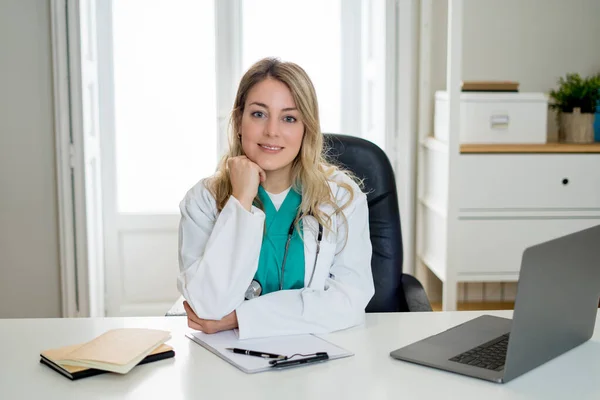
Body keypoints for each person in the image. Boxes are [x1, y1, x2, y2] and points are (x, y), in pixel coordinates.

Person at [177, 57, 374, 340]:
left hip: (319, 354)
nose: (272, 131)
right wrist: (240, 202)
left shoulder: (341, 198)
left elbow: (349, 303)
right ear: (238, 121)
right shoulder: (204, 201)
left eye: (289, 118)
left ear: (307, 128)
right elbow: (208, 308)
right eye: (258, 114)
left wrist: (238, 318)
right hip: (223, 360)